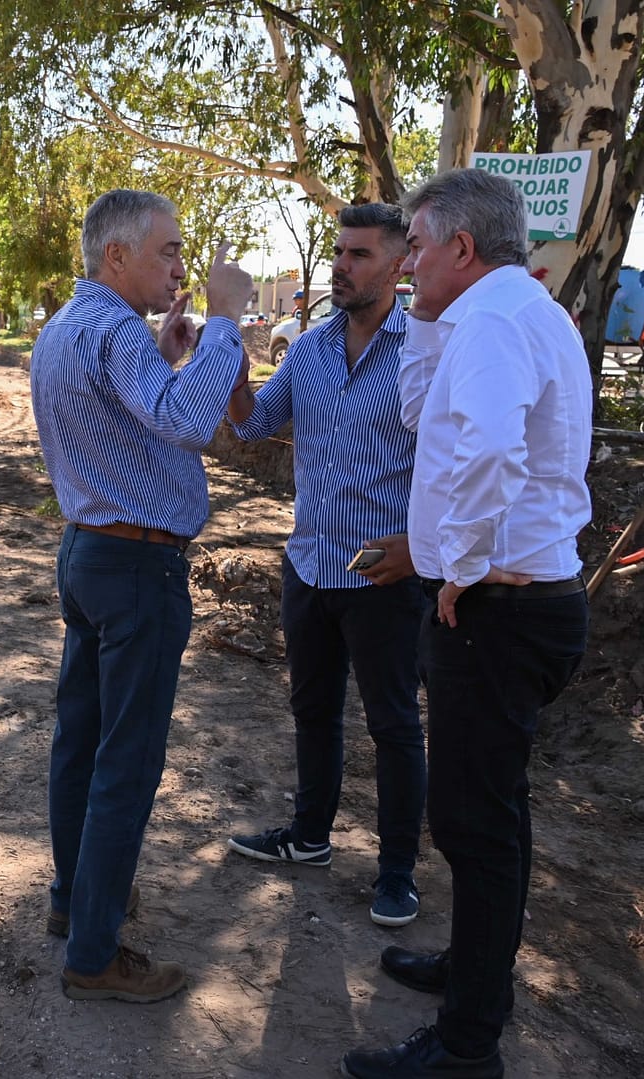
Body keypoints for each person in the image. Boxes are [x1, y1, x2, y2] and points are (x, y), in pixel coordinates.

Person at [341, 168, 590, 1079]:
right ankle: (473, 972)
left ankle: (465, 1043)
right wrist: (421, 317)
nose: (405, 259)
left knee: (474, 823)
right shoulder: (503, 314)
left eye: (415, 243)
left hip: (501, 607)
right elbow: (422, 415)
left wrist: (460, 565)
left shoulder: (491, 320)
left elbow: (489, 449)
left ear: (461, 246)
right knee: (495, 813)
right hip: (523, 602)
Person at [31, 188, 254, 1003]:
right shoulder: (115, 328)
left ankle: (72, 903)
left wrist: (164, 358)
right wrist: (226, 322)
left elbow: (128, 417)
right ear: (115, 256)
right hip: (137, 569)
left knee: (81, 743)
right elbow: (192, 423)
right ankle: (94, 954)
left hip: (91, 553)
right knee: (127, 761)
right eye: (167, 251)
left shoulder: (68, 325)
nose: (182, 267)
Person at [225, 203, 427, 928]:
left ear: (400, 265)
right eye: (339, 252)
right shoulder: (308, 350)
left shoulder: (425, 351)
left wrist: (422, 548)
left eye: (360, 254)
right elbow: (251, 425)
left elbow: (453, 465)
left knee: (394, 724)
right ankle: (309, 838)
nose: (342, 266)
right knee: (312, 711)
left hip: (385, 576)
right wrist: (228, 359)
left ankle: (398, 872)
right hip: (309, 565)